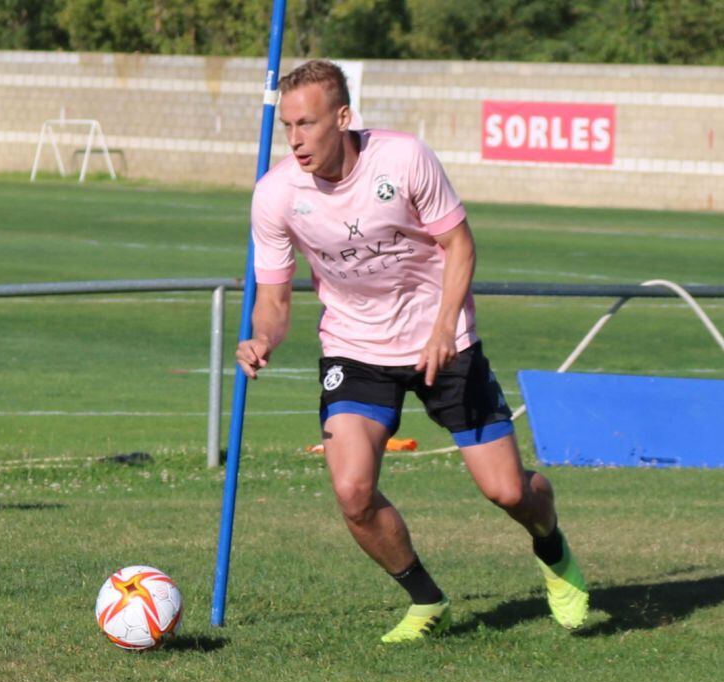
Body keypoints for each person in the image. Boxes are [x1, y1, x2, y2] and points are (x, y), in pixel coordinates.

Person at [236, 60, 589, 643]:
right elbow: (272, 300)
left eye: (308, 124)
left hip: (442, 340)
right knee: (352, 492)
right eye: (288, 127)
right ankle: (427, 600)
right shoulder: (275, 195)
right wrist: (262, 338)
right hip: (354, 347)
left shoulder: (402, 159)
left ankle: (551, 547)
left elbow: (460, 244)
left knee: (507, 491)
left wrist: (445, 327)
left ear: (343, 117)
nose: (295, 139)